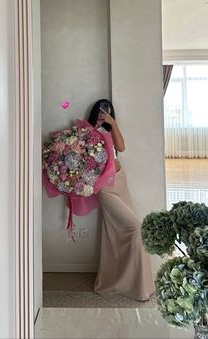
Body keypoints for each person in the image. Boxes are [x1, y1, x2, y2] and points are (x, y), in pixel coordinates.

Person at [88, 99, 155, 301]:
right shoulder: (86, 133)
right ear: (94, 112)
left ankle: (137, 283)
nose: (103, 113)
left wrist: (112, 123)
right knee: (136, 227)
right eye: (100, 110)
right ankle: (123, 282)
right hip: (104, 188)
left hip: (120, 181)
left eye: (107, 111)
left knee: (123, 231)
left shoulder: (110, 129)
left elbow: (122, 148)